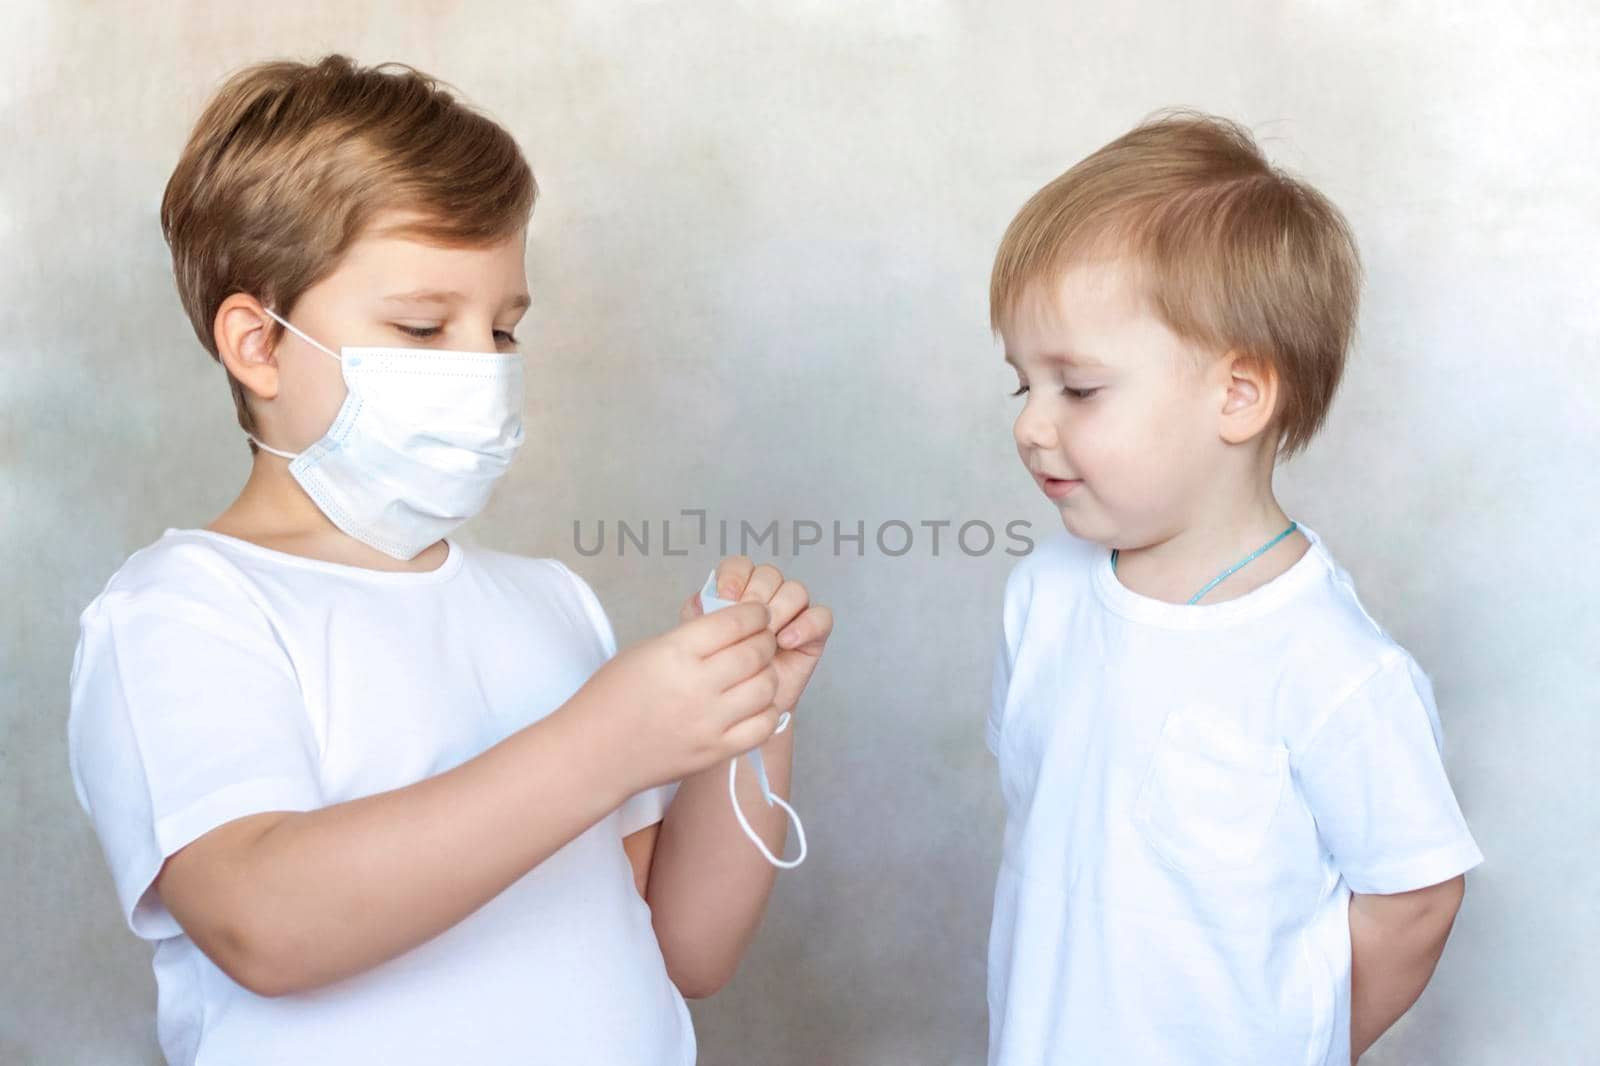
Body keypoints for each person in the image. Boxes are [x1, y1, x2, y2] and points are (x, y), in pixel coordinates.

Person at [66, 54, 832, 1066]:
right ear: (258, 345)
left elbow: (680, 948)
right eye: (423, 327)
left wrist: (748, 718)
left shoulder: (549, 603)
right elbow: (266, 922)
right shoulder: (184, 609)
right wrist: (602, 742)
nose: (479, 367)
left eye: (503, 328)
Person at [984, 111, 1482, 1065]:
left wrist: (1292, 1040)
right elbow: (1051, 827)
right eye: (1024, 386)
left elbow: (1415, 897)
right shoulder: (1045, 595)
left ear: (1239, 395)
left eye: (1077, 389)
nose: (1032, 426)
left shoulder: (1329, 665)